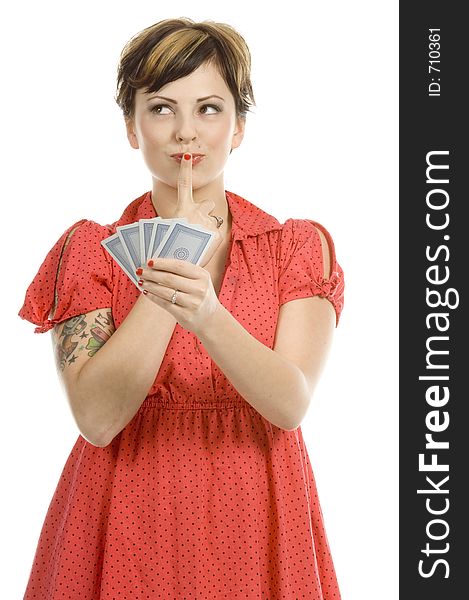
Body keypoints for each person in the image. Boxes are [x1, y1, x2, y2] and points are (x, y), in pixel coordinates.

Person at [18, 17, 345, 599]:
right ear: (131, 127)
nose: (185, 133)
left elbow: (289, 404)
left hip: (256, 514)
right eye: (162, 109)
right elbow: (96, 419)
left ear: (239, 126)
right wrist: (166, 283)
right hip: (122, 513)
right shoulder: (88, 251)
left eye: (210, 109)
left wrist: (209, 314)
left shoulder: (296, 247)